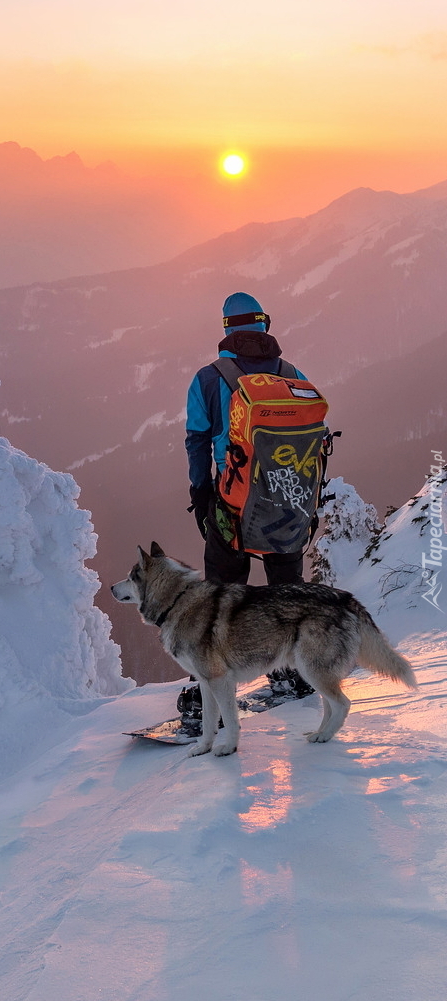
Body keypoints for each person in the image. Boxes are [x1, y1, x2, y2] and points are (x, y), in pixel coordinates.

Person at [180, 291, 315, 716]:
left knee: (223, 592)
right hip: (288, 501)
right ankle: (294, 670)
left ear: (226, 329)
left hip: (232, 500)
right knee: (286, 589)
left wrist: (200, 493)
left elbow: (197, 439)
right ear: (264, 325)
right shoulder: (294, 374)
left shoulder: (209, 377)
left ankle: (209, 691)